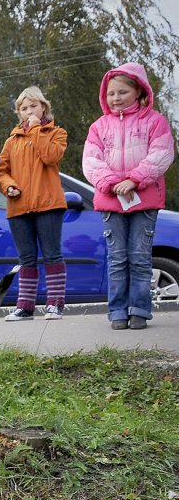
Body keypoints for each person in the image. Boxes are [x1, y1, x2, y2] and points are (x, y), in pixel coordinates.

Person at [82, 63, 175, 330]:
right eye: (111, 93)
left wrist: (134, 179)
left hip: (144, 199)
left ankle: (140, 310)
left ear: (138, 91)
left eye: (122, 92)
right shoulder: (99, 127)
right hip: (111, 201)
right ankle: (118, 311)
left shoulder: (155, 122)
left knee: (140, 257)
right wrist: (111, 183)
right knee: (118, 258)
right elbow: (91, 161)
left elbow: (162, 153)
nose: (116, 98)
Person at [0, 86, 69, 321]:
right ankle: (25, 307)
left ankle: (55, 304)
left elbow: (50, 156)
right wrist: (8, 186)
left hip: (49, 205)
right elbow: (0, 172)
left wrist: (36, 129)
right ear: (19, 113)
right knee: (26, 258)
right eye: (23, 108)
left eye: (33, 106)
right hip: (18, 208)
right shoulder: (11, 141)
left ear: (43, 107)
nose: (29, 111)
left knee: (52, 255)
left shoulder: (57, 133)